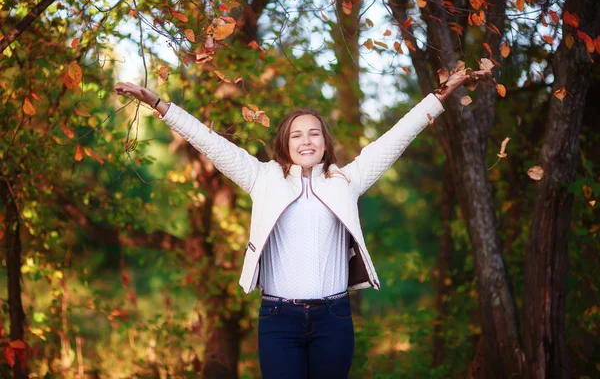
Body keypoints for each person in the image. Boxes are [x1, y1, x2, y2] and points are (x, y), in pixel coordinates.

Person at [115, 68, 490, 378]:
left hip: (334, 318)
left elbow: (396, 137)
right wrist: (159, 104)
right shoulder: (261, 177)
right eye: (297, 135)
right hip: (279, 319)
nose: (306, 140)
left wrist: (442, 94)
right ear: (285, 144)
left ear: (325, 143)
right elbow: (209, 141)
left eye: (314, 133)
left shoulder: (348, 180)